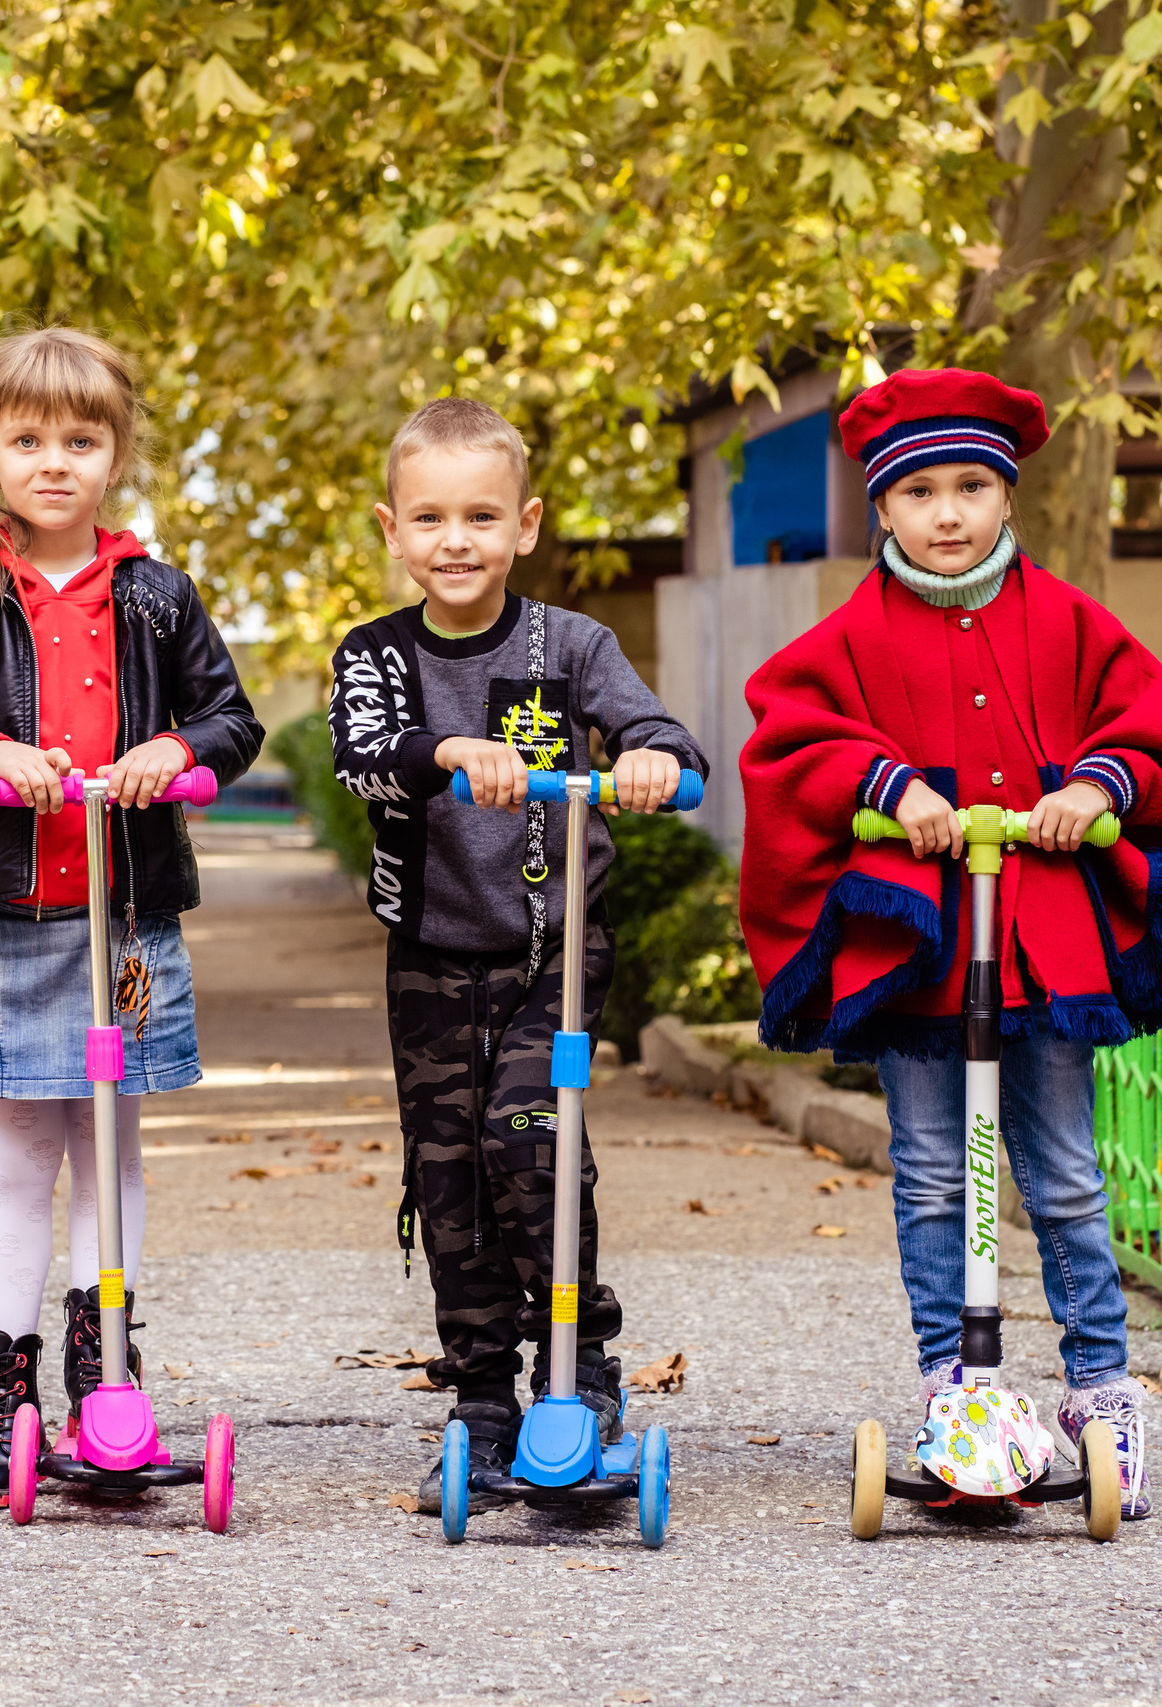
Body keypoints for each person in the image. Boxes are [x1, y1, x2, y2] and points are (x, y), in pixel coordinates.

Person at [736, 368, 1162, 1519]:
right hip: (917, 942)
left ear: (1009, 498)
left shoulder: (1067, 622)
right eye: (917, 491)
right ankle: (952, 1383)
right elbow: (788, 731)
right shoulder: (853, 633)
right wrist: (884, 780)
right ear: (883, 508)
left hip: (1041, 934)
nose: (946, 513)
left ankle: (1098, 1388)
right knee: (923, 1176)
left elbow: (1145, 723)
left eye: (970, 486)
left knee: (1059, 1172)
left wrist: (1097, 782)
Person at [0, 327, 263, 1508]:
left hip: (126, 918)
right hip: (7, 917)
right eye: (29, 440)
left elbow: (232, 720)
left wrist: (176, 749)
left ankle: (110, 1371)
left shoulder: (156, 595)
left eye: (80, 442)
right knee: (21, 1154)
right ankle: (3, 1396)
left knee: (113, 1146)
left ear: (115, 454)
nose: (54, 464)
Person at [327, 397, 710, 1512]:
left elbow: (660, 739)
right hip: (431, 957)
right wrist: (445, 749)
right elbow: (362, 756)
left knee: (533, 1152)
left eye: (482, 516)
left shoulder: (569, 646)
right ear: (392, 531)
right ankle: (485, 1384)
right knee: (449, 1175)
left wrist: (644, 760)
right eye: (431, 517)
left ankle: (577, 1364)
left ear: (525, 525)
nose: (457, 540)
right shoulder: (377, 656)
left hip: (555, 962)